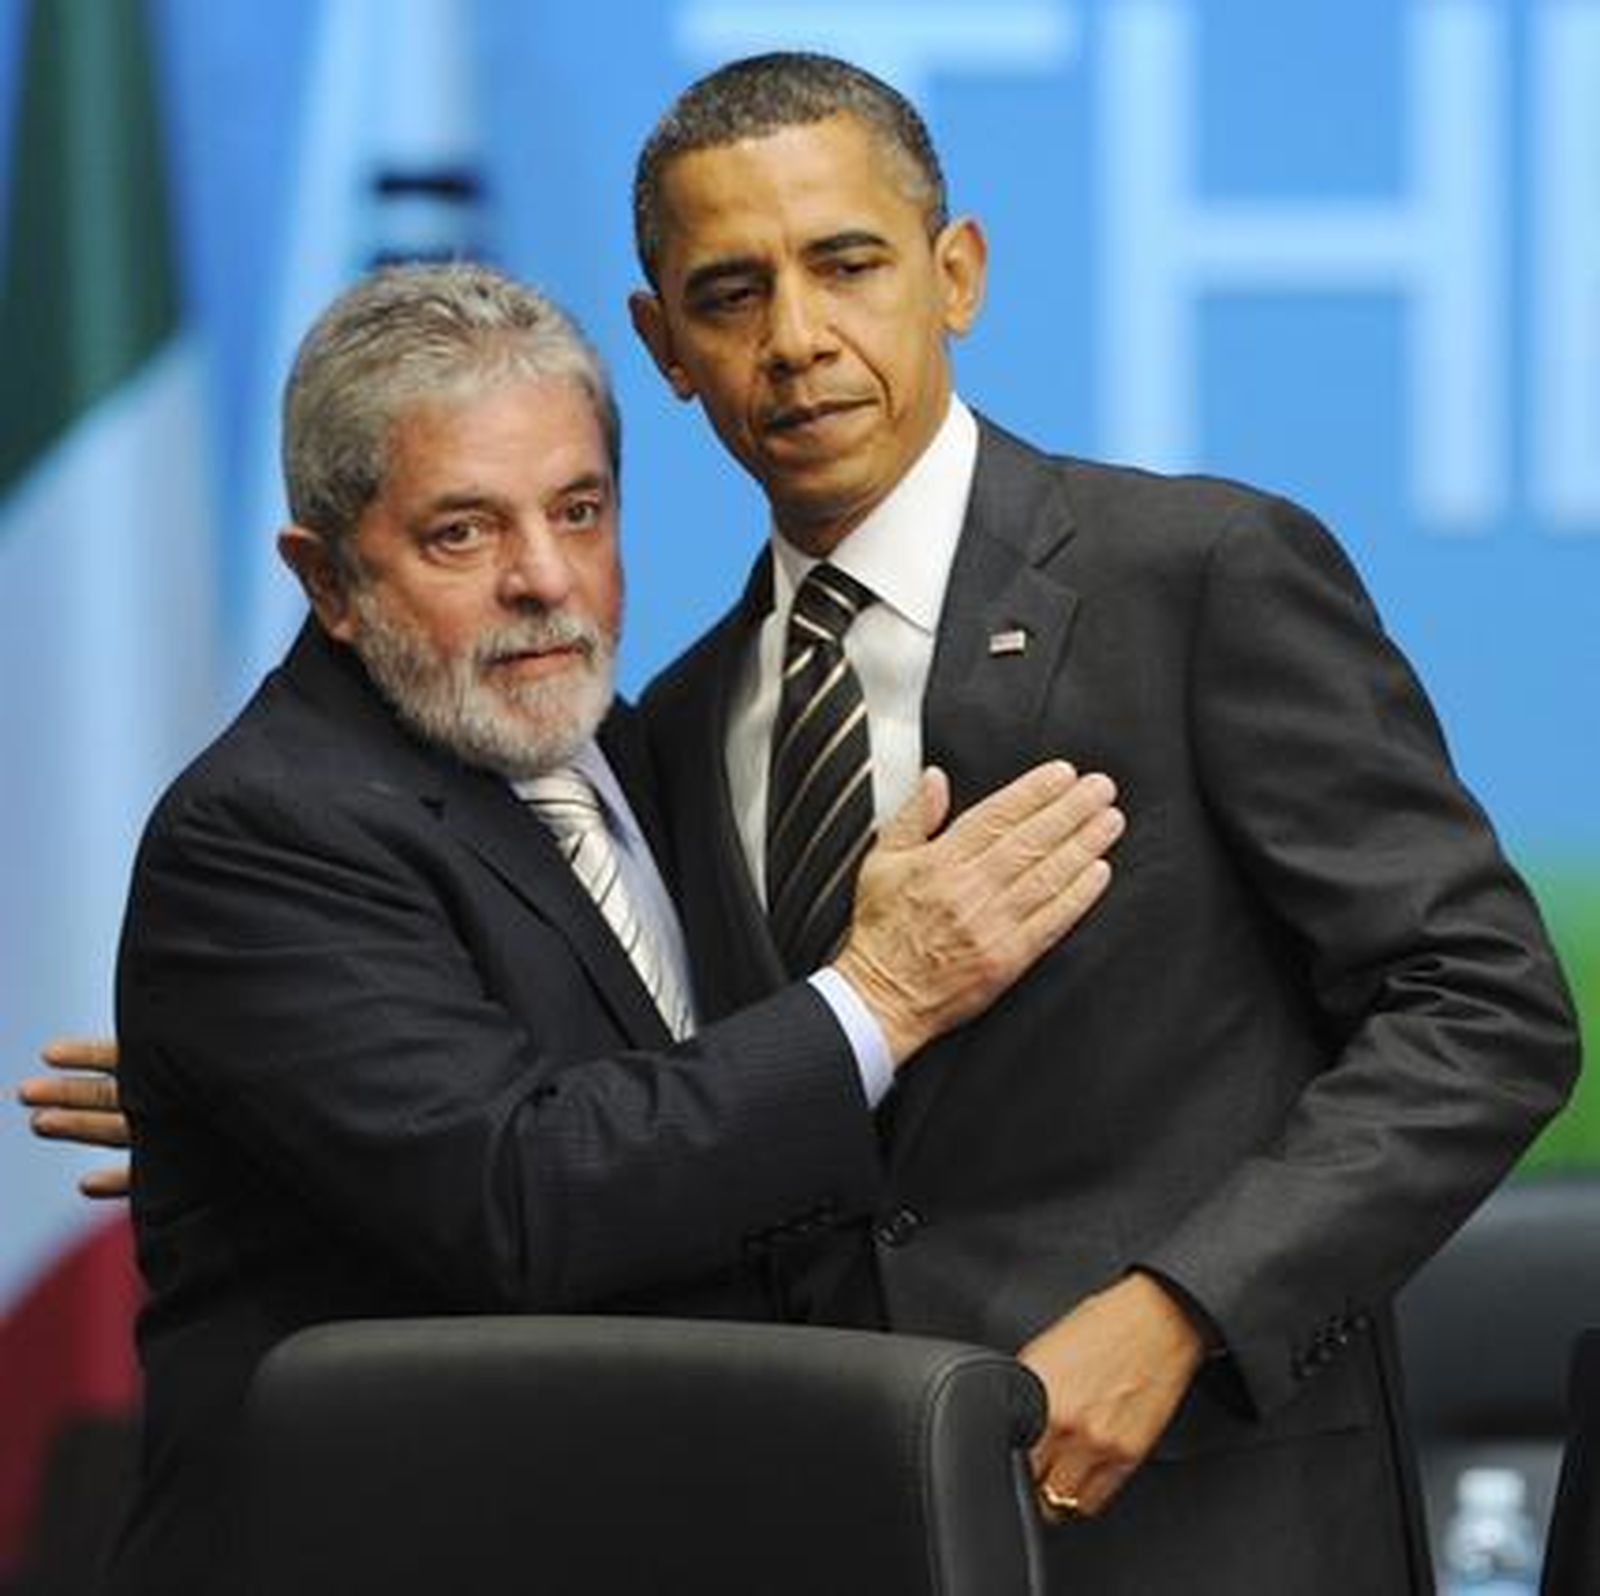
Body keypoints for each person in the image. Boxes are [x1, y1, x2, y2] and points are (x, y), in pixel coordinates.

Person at [625, 52, 1582, 1593]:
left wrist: (1183, 1308)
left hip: (1215, 1523)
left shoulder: (1197, 574)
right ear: (662, 344)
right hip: (846, 1530)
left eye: (847, 264)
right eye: (729, 293)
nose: (795, 340)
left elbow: (1486, 1010)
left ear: (957, 275)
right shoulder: (673, 725)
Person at [74, 261, 1121, 1596]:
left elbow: (627, 1073)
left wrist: (250, 1113)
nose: (543, 580)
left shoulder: (629, 749)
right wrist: (884, 997)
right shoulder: (264, 829)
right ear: (325, 579)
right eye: (462, 533)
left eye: (580, 510)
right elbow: (528, 1197)